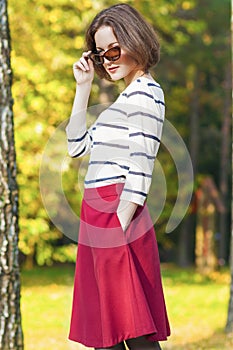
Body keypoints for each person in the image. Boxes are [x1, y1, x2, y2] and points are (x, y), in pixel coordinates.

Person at [66, 4, 170, 350]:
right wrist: (83, 86)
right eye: (100, 53)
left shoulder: (145, 94)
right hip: (97, 210)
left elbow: (142, 167)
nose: (107, 59)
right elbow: (77, 145)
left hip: (117, 209)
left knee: (134, 331)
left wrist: (117, 225)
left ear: (134, 40)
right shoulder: (125, 100)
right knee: (105, 333)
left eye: (114, 49)